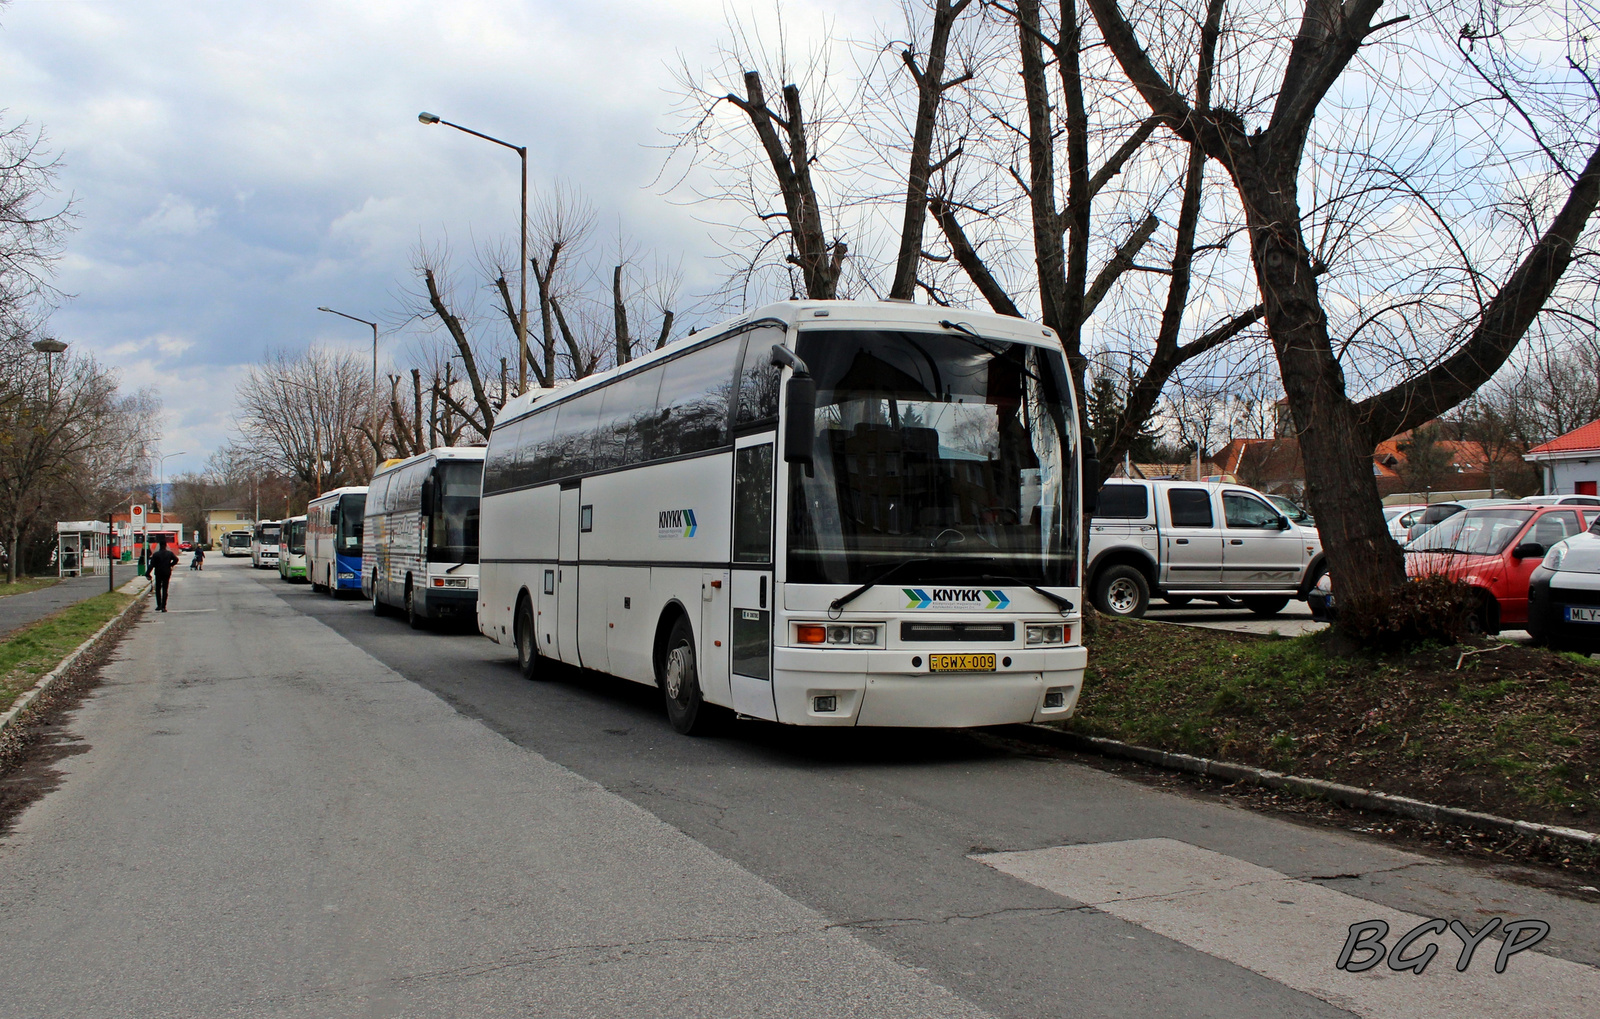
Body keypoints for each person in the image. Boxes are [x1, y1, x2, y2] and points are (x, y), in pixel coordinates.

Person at [150, 538, 179, 612]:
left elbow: (151, 565)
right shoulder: (169, 553)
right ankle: (164, 607)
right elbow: (176, 559)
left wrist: (147, 573)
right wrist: (170, 565)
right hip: (167, 572)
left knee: (158, 589)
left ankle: (159, 605)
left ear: (159, 546)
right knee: (165, 589)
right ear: (166, 545)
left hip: (158, 572)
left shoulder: (156, 554)